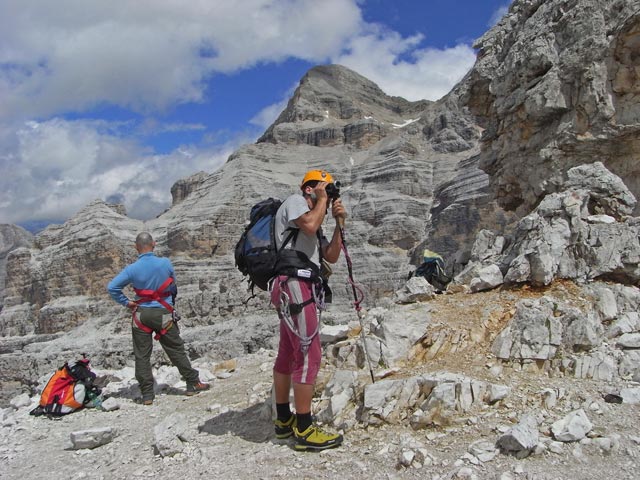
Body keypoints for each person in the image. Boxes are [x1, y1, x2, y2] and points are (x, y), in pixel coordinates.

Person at [270, 169, 346, 451]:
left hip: (298, 286)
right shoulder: (295, 202)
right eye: (323, 187)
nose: (328, 193)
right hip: (295, 283)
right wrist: (323, 198)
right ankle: (304, 429)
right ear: (309, 189)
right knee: (309, 352)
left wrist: (339, 223)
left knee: (289, 352)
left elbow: (331, 256)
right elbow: (311, 226)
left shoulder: (315, 216)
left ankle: (283, 421)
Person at [107, 232, 209, 405]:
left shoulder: (131, 269)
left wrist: (127, 302)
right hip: (164, 313)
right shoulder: (165, 263)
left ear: (136, 247)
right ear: (154, 244)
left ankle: (147, 394)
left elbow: (112, 287)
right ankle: (192, 383)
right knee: (175, 350)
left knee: (142, 355)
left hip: (141, 315)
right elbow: (172, 285)